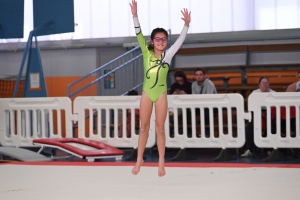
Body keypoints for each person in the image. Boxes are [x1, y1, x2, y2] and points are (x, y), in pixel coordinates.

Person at [129, 0, 191, 177]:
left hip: (162, 94)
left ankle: (161, 162)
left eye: (164, 39)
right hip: (147, 94)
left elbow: (180, 40)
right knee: (144, 128)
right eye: (158, 39)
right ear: (152, 41)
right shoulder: (146, 51)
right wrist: (135, 16)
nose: (161, 42)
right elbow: (138, 33)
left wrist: (186, 25)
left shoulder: (168, 54)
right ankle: (139, 159)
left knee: (160, 128)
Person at [241, 76, 276, 158]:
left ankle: (270, 150)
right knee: (249, 126)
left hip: (271, 116)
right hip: (257, 116)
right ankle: (250, 150)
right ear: (259, 84)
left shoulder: (274, 93)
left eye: (266, 83)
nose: (265, 84)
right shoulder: (254, 93)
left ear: (269, 84)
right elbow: (251, 107)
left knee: (272, 127)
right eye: (263, 83)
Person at [191, 68, 217, 137]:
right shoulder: (193, 84)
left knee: (206, 111)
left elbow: (209, 98)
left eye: (200, 75)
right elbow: (194, 97)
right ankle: (190, 131)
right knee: (188, 111)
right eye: (196, 75)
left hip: (212, 105)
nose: (198, 76)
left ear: (204, 75)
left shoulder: (209, 84)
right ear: (194, 76)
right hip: (199, 105)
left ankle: (207, 131)